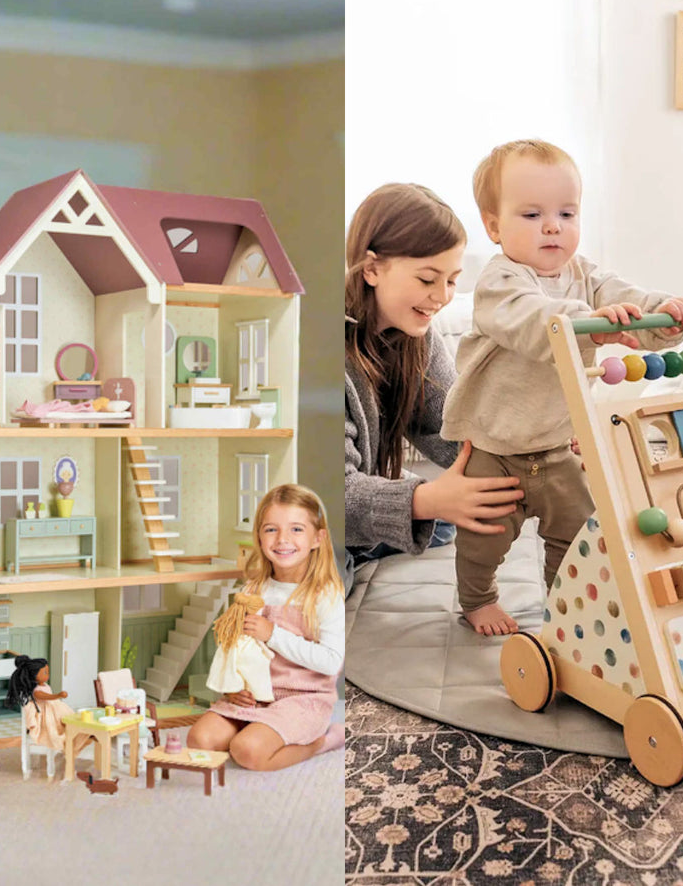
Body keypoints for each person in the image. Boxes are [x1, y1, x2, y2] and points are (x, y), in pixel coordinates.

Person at [442, 140, 683, 636]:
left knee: (579, 529)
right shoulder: (500, 281)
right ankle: (477, 599)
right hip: (495, 447)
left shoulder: (586, 275)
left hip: (558, 444)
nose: (553, 226)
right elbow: (532, 321)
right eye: (532, 214)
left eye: (567, 212)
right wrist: (591, 324)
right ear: (493, 226)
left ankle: (564, 603)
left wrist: (666, 315)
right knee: (483, 538)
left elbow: (627, 300)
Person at [343, 184, 524, 581]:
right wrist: (423, 500)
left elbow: (457, 424)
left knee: (442, 522)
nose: (441, 297)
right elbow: (332, 490)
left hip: (366, 494)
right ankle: (350, 550)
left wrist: (536, 448)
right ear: (371, 269)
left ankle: (360, 543)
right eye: (427, 279)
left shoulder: (417, 339)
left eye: (452, 280)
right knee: (325, 580)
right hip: (317, 509)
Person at [186, 484, 344, 771]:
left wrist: (272, 634)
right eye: (271, 529)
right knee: (200, 741)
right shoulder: (254, 588)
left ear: (317, 538)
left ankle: (322, 741)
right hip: (257, 695)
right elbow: (235, 649)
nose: (283, 539)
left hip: (302, 699)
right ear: (259, 537)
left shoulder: (325, 594)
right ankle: (256, 727)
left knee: (248, 752)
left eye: (296, 529)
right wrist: (235, 688)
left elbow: (330, 662)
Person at [5, 656, 90, 776]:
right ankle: (71, 743)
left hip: (55, 708)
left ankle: (75, 738)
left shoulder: (44, 685)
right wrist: (57, 695)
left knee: (70, 720)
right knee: (60, 727)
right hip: (47, 713)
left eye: (47, 672)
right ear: (34, 675)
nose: (47, 674)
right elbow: (43, 696)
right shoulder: (36, 690)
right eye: (45, 672)